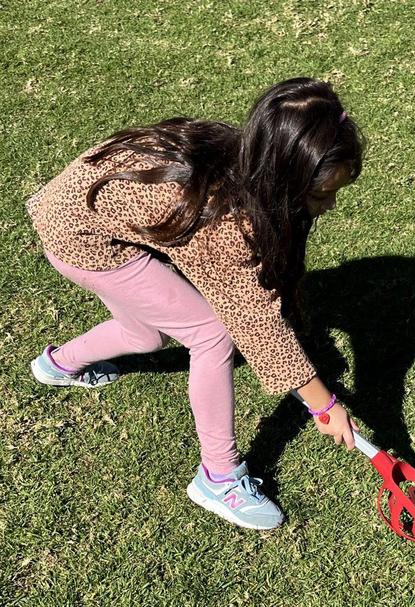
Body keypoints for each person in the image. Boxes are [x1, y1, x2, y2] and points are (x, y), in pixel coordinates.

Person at [26, 77, 366, 530]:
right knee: (211, 333)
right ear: (283, 177)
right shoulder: (226, 221)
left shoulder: (247, 157)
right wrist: (324, 405)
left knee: (145, 335)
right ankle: (218, 478)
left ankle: (57, 365)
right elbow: (255, 324)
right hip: (80, 237)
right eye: (322, 195)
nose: (331, 205)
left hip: (76, 208)